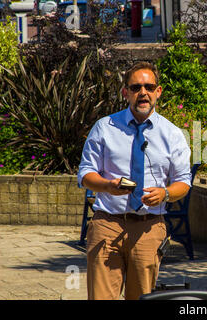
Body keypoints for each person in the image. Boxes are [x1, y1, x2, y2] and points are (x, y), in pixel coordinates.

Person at [77, 62, 191, 300]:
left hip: (149, 227)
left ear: (158, 92)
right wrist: (108, 186)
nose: (143, 93)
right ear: (125, 92)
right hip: (108, 224)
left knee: (143, 298)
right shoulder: (105, 128)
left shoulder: (172, 134)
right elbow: (86, 173)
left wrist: (165, 194)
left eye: (149, 87)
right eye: (136, 87)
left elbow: (183, 181)